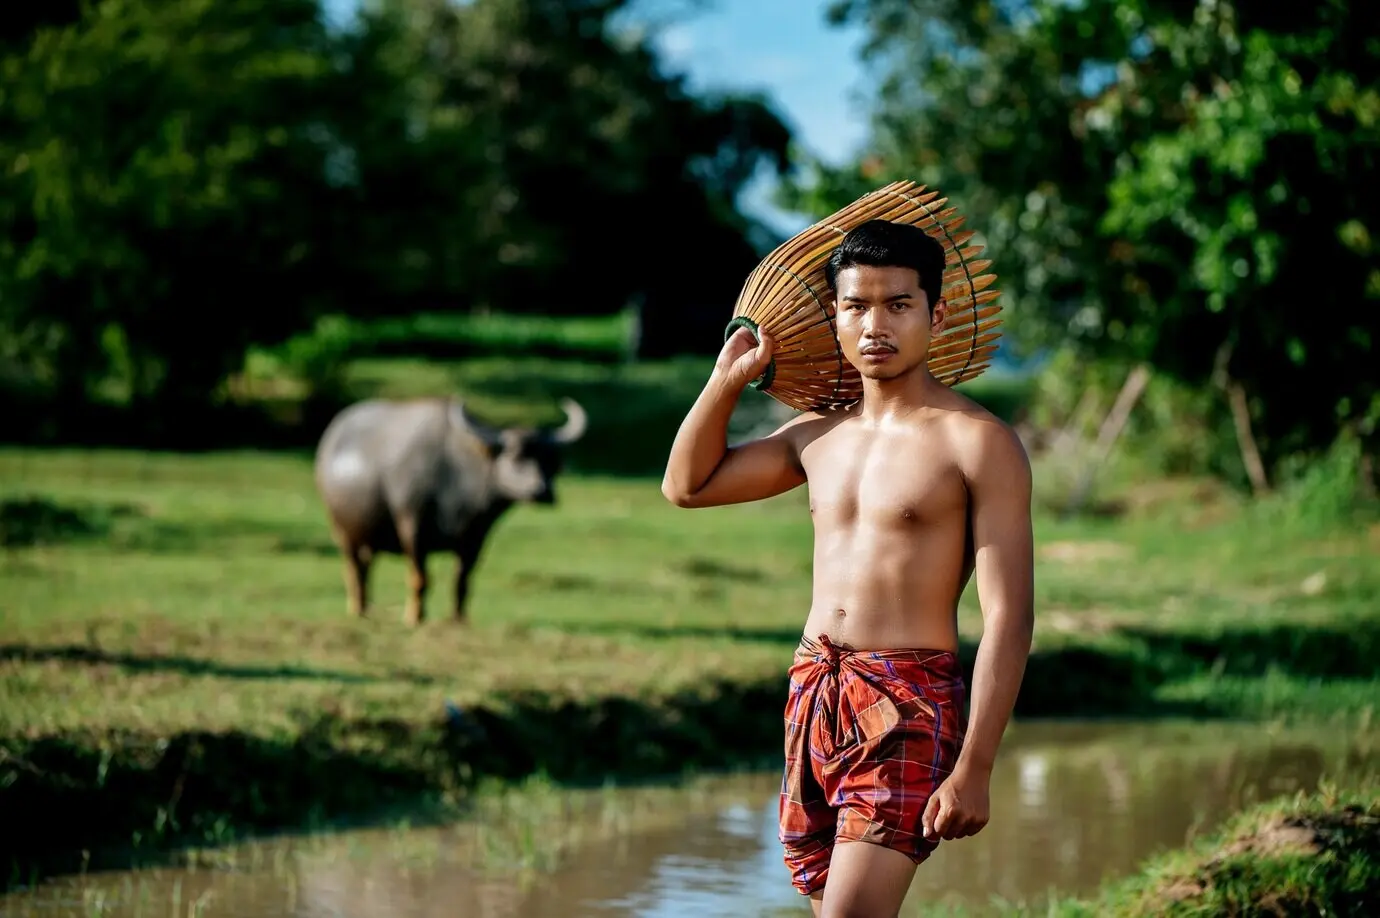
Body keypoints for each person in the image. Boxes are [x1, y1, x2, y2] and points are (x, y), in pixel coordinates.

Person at [660, 219, 1035, 917]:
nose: (875, 325)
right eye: (857, 306)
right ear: (835, 316)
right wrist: (725, 379)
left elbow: (1009, 615)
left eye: (899, 304)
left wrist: (976, 765)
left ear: (937, 314)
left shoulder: (977, 442)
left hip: (908, 698)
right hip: (814, 691)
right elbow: (686, 485)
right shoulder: (815, 435)